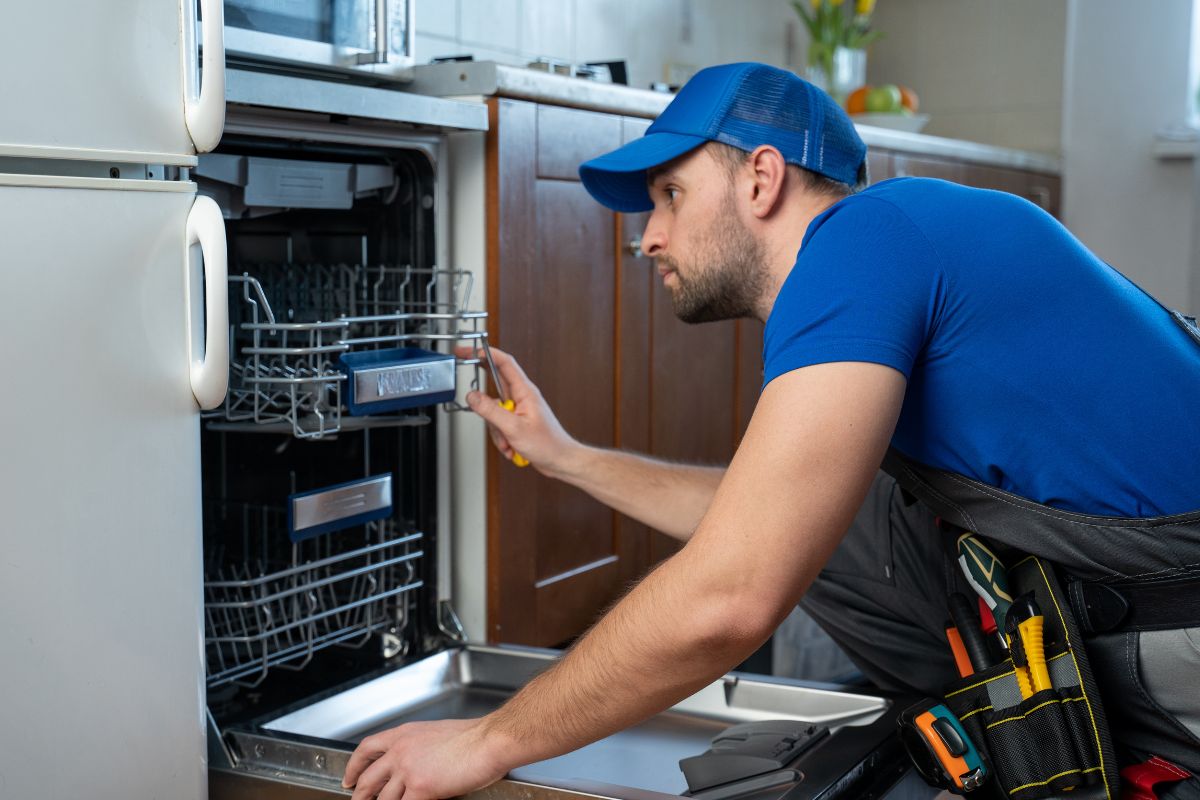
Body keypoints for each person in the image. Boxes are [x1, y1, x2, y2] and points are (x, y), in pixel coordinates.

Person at [343, 62, 1200, 800]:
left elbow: (732, 594)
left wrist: (488, 739)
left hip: (1177, 639)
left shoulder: (865, 242)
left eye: (670, 194)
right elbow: (768, 518)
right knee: (849, 521)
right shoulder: (902, 238)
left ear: (761, 178)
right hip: (1124, 580)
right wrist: (566, 458)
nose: (649, 238)